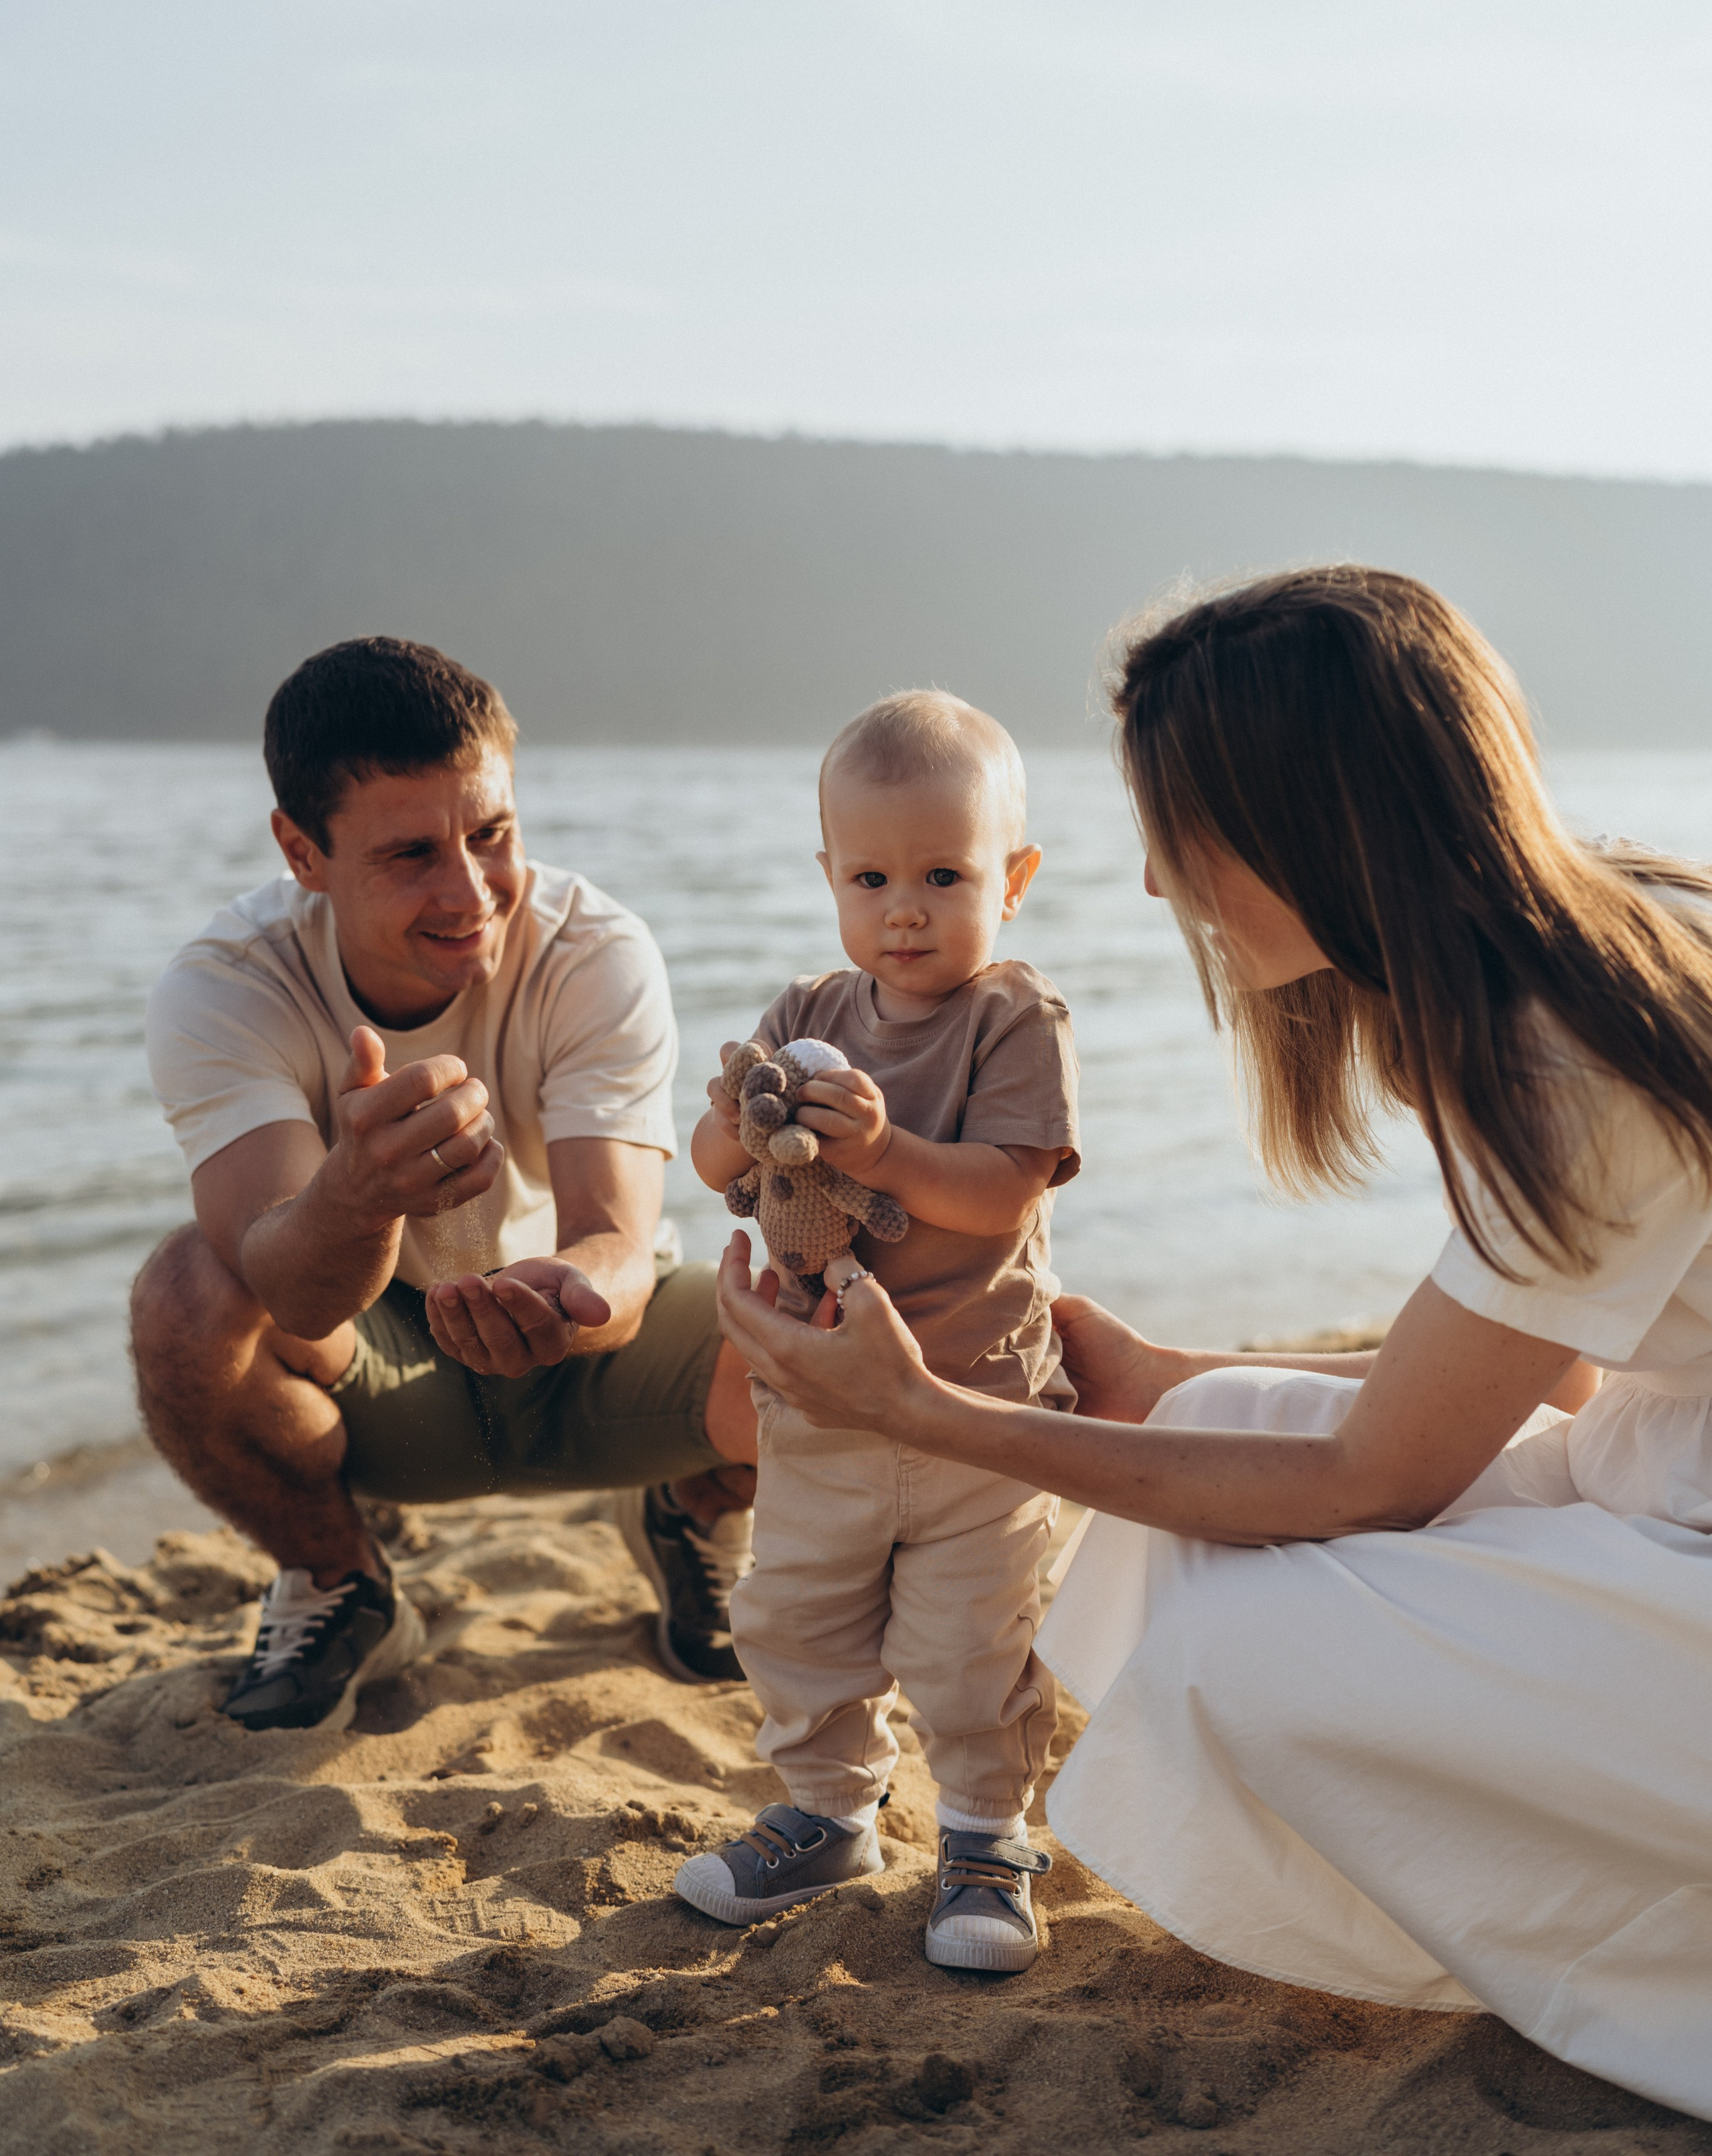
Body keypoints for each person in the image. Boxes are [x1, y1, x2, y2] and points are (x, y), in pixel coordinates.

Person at [713, 568, 1712, 2123]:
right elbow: (1559, 1374)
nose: (1149, 887)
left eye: (1175, 839)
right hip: (1656, 1450)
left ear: (1305, 824)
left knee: (1236, 1645)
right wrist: (1158, 1379)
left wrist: (922, 1412)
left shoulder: (1563, 1057)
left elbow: (1377, 1479)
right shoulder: (1582, 941)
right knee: (1218, 1426)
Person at [131, 635, 757, 1733]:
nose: (471, 891)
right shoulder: (227, 987)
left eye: (492, 834)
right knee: (183, 1295)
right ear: (303, 852)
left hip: (587, 1354)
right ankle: (339, 1579)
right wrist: (358, 1194)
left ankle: (692, 1507)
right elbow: (289, 1288)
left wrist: (567, 1295)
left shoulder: (594, 951)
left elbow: (617, 1242)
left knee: (829, 1303)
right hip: (381, 1373)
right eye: (412, 853)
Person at [672, 693, 1079, 1973]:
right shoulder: (806, 1011)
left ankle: (986, 1838)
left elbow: (1006, 1188)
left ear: (1013, 880)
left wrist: (889, 1151)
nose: (905, 909)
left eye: (944, 875)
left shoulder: (1015, 1019)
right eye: (872, 878)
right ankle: (829, 1814)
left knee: (970, 1644)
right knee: (796, 1617)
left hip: (975, 1409)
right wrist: (738, 1122)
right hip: (823, 1402)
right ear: (831, 879)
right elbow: (714, 1163)